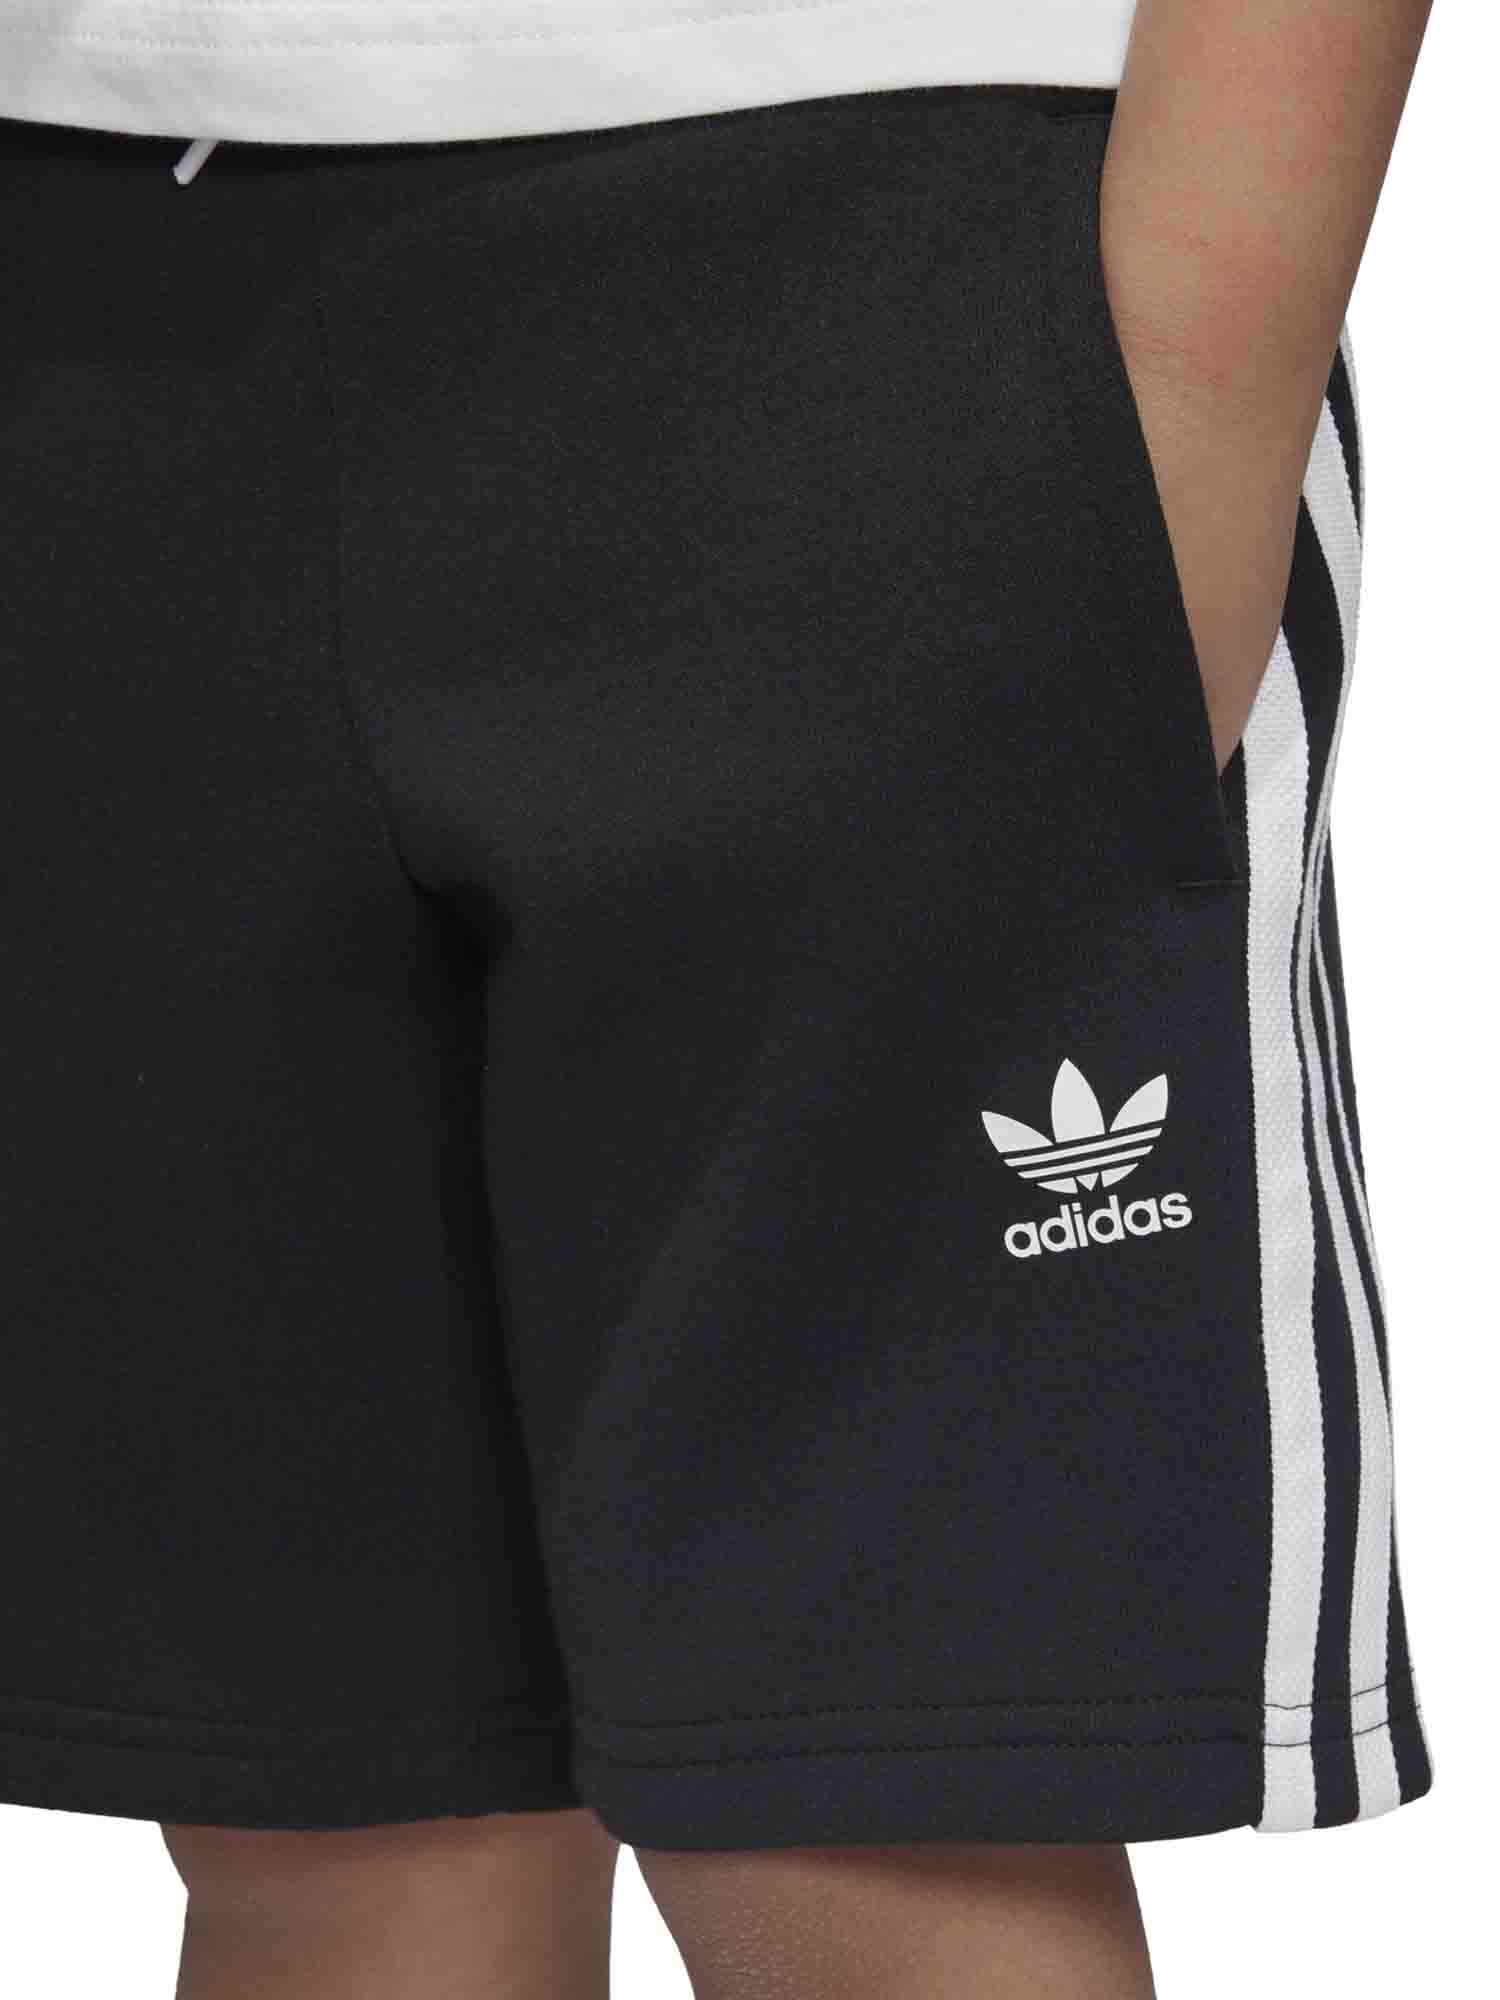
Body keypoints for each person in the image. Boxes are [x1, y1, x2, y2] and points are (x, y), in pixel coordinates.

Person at [0, 3, 1436, 1994]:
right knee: (327, 1815)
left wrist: (1198, 359)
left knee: (890, 1816)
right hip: (98, 278)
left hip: (875, 220)